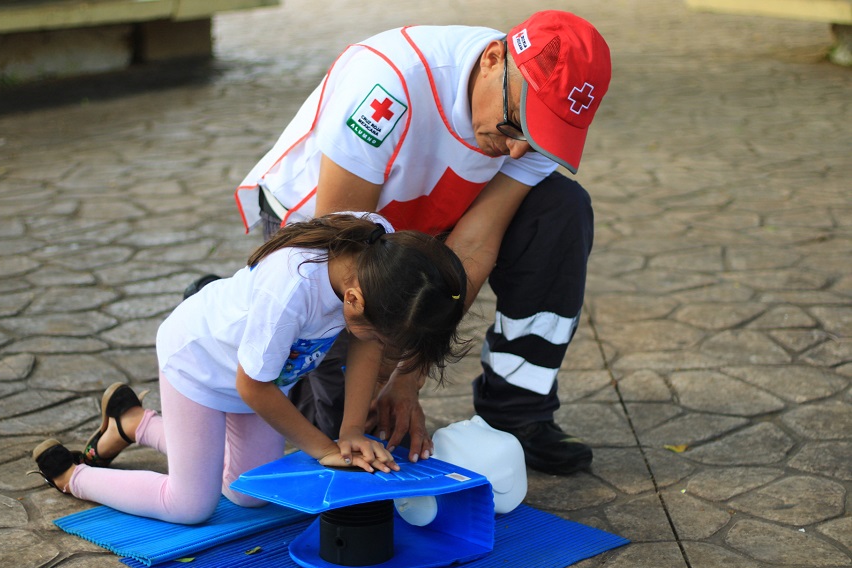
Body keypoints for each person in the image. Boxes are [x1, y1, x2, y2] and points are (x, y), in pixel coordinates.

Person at [199, 10, 611, 475]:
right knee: (348, 427)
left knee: (558, 207)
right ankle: (229, 306)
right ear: (494, 59)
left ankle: (517, 413)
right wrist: (374, 372)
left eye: (538, 139)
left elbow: (471, 249)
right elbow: (346, 252)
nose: (518, 150)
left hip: (419, 229)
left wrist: (408, 375)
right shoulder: (389, 85)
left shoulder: (524, 125)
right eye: (515, 125)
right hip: (325, 236)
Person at [29, 213, 469, 524]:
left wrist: (350, 431)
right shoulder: (291, 292)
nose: (382, 348)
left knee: (248, 494)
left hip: (259, 375)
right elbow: (253, 386)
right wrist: (324, 449)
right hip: (199, 366)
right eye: (382, 334)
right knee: (189, 506)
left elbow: (363, 343)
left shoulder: (381, 253)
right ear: (353, 300)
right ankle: (73, 476)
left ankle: (134, 422)